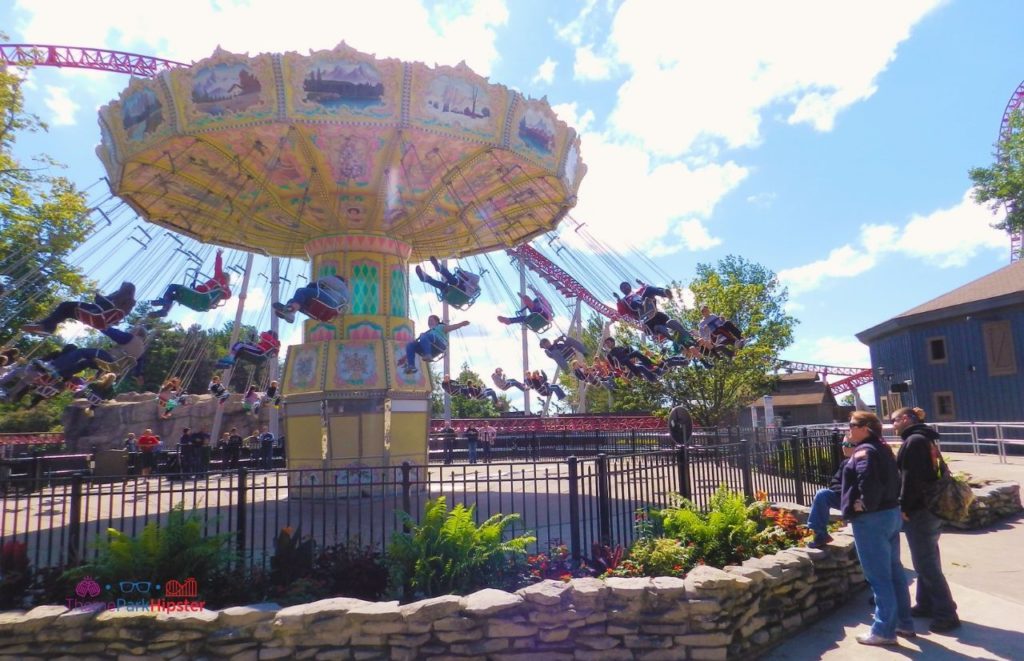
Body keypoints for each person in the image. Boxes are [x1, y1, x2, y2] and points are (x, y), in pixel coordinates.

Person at [842, 410, 914, 645]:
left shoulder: (865, 451)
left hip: (873, 520)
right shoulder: (882, 448)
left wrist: (863, 505)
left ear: (866, 428)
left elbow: (867, 480)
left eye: (852, 425)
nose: (849, 429)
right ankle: (904, 623)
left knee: (879, 577)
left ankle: (883, 630)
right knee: (894, 573)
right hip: (891, 514)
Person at [892, 406, 960, 632]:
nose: (892, 426)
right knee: (928, 557)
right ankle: (925, 603)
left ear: (905, 419)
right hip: (932, 508)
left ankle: (946, 613)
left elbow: (910, 479)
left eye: (894, 421)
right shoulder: (926, 439)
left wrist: (904, 506)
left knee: (926, 563)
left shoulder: (913, 442)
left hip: (920, 510)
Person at [23, 281, 136, 334]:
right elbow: (118, 318)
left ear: (124, 288)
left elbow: (102, 302)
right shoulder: (129, 304)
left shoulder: (119, 297)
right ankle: (46, 326)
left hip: (96, 313)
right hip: (100, 319)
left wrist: (98, 296)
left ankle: (47, 326)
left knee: (65, 306)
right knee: (66, 310)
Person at [149, 249, 231, 318]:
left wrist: (218, 255)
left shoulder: (219, 276)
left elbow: (218, 267)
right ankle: (163, 310)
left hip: (198, 293)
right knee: (174, 296)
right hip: (203, 303)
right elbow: (228, 296)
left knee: (173, 287)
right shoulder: (226, 290)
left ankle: (165, 306)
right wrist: (223, 290)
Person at [806, 438, 856, 548]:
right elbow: (834, 483)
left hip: (858, 501)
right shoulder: (845, 463)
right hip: (844, 497)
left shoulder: (862, 462)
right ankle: (820, 535)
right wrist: (844, 492)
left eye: (847, 444)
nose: (843, 446)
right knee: (822, 494)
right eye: (843, 443)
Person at [397, 315, 469, 374]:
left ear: (437, 322)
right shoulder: (427, 333)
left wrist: (461, 324)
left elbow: (451, 327)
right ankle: (411, 366)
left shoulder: (441, 327)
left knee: (423, 335)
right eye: (428, 321)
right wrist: (404, 358)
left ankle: (428, 355)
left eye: (431, 320)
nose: (429, 322)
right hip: (430, 346)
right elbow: (412, 349)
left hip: (439, 344)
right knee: (411, 344)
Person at [273, 274, 349, 323]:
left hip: (328, 301)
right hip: (330, 314)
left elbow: (319, 282)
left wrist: (312, 285)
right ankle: (289, 311)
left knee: (301, 291)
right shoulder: (346, 293)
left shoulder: (335, 281)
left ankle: (291, 310)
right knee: (298, 302)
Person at [415, 257, 481, 300]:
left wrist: (464, 273)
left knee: (454, 281)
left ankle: (441, 269)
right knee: (442, 285)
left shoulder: (472, 283)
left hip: (461, 293)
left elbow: (476, 278)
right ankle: (426, 278)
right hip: (453, 294)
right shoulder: (461, 280)